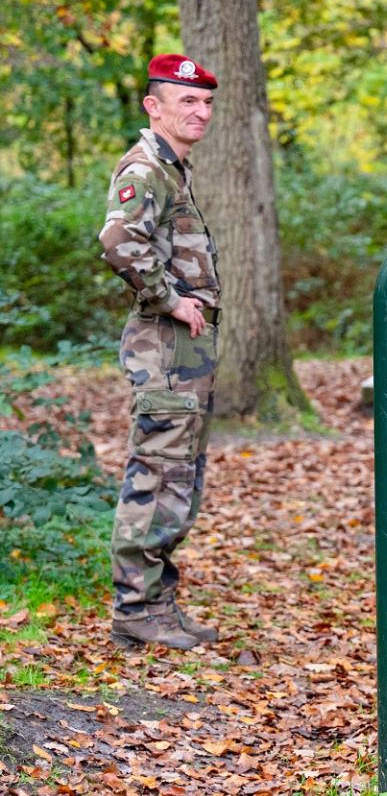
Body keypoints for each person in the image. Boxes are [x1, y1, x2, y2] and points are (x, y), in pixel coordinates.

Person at [98, 54, 223, 651]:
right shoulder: (146, 166)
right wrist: (170, 299)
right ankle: (135, 611)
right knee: (158, 475)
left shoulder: (173, 168)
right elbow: (119, 242)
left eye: (205, 102)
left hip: (184, 352)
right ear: (154, 105)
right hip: (165, 346)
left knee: (179, 476)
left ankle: (156, 606)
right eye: (186, 101)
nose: (200, 112)